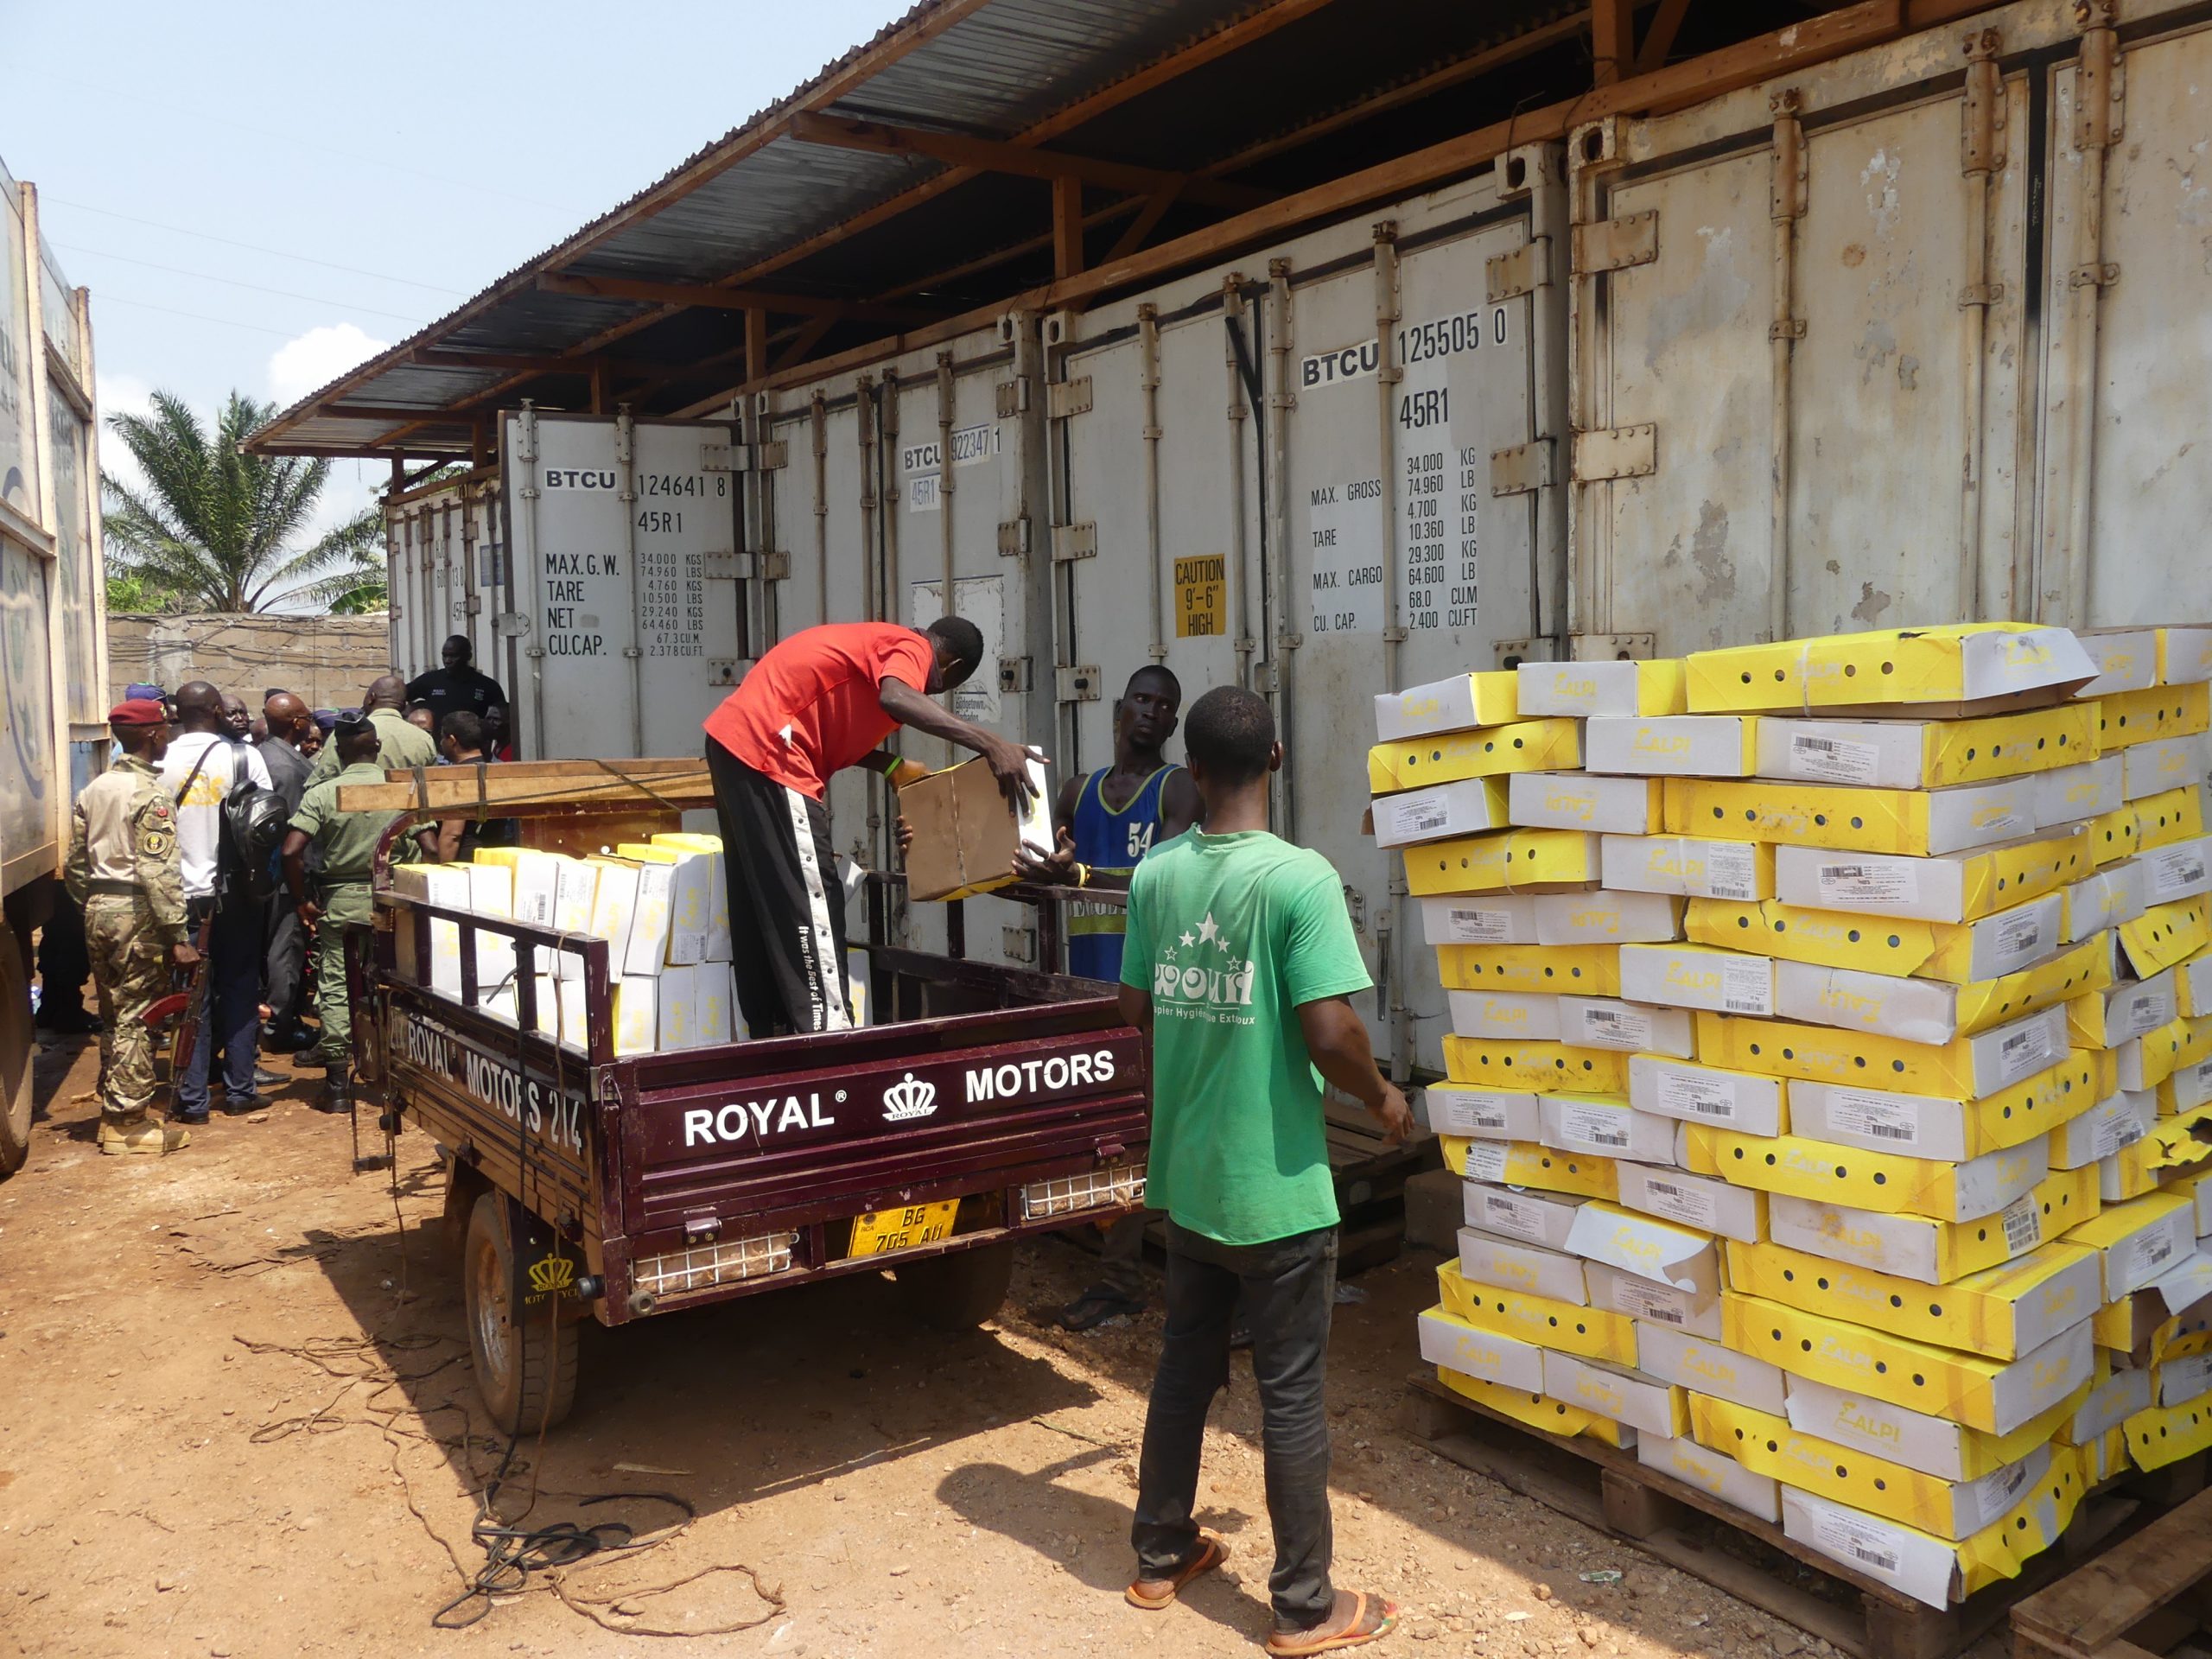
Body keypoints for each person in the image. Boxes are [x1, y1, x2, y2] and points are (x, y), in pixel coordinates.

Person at [1116, 685, 1409, 1656]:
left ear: (1190, 771)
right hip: (1276, 1189)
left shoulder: (1156, 876)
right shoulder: (1300, 881)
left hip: (1193, 1175)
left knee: (1183, 1368)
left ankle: (1159, 1554)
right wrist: (1381, 1100)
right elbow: (1330, 1032)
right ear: (1277, 758)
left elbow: (1135, 1009)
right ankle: (1302, 1607)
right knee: (1288, 1392)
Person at [702, 616, 1038, 1037]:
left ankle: (772, 1031)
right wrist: (991, 743)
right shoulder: (912, 649)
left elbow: (832, 727)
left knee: (766, 901)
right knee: (813, 897)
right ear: (950, 668)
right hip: (774, 751)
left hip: (736, 745)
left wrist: (892, 765)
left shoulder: (874, 646)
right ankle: (829, 1038)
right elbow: (896, 697)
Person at [1019, 665, 1200, 1332]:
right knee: (1104, 1132)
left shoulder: (1176, 789)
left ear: (1175, 723)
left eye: (1165, 705)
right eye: (1143, 699)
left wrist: (1085, 873)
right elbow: (1037, 873)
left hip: (1151, 994)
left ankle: (1130, 1279)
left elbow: (1169, 876)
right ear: (1120, 709)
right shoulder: (1077, 790)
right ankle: (1116, 1270)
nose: (1151, 712)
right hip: (1085, 988)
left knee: (1146, 1130)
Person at [65, 698, 197, 1154]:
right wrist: (178, 935)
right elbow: (158, 870)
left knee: (113, 1013)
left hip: (99, 907)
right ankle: (129, 1123)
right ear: (151, 735)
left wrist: (96, 904)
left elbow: (77, 864)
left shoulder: (95, 788)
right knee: (140, 1016)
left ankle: (112, 1112)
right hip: (137, 911)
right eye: (164, 729)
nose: (168, 736)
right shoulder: (150, 794)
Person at [158, 681, 276, 1122]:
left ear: (176, 712)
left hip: (181, 898)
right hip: (238, 893)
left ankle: (193, 1101)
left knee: (191, 996)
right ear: (214, 710)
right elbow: (268, 822)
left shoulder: (158, 761)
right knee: (242, 986)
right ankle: (241, 1090)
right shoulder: (244, 757)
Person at [283, 715, 408, 1112]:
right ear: (377, 749)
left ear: (337, 752)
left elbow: (290, 851)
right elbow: (434, 844)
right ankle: (397, 1070)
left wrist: (301, 899)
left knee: (336, 984)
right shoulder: (402, 790)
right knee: (395, 982)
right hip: (393, 899)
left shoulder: (323, 793)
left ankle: (338, 1084)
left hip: (340, 901)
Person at [257, 693, 319, 1053]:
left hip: (264, 875)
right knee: (285, 952)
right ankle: (280, 1028)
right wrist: (303, 892)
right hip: (286, 876)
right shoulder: (288, 767)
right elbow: (297, 836)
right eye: (306, 717)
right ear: (296, 723)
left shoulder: (262, 756)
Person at [305, 674, 439, 785]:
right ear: (404, 705)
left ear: (371, 698)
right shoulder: (424, 739)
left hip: (354, 813)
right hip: (407, 815)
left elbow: (321, 780)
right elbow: (432, 784)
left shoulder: (348, 732)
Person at [406, 635, 506, 736]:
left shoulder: (488, 686)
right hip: (439, 746)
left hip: (472, 748)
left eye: (453, 656)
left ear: (468, 656)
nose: (447, 661)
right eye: (444, 656)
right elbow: (400, 695)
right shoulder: (431, 680)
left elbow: (502, 718)